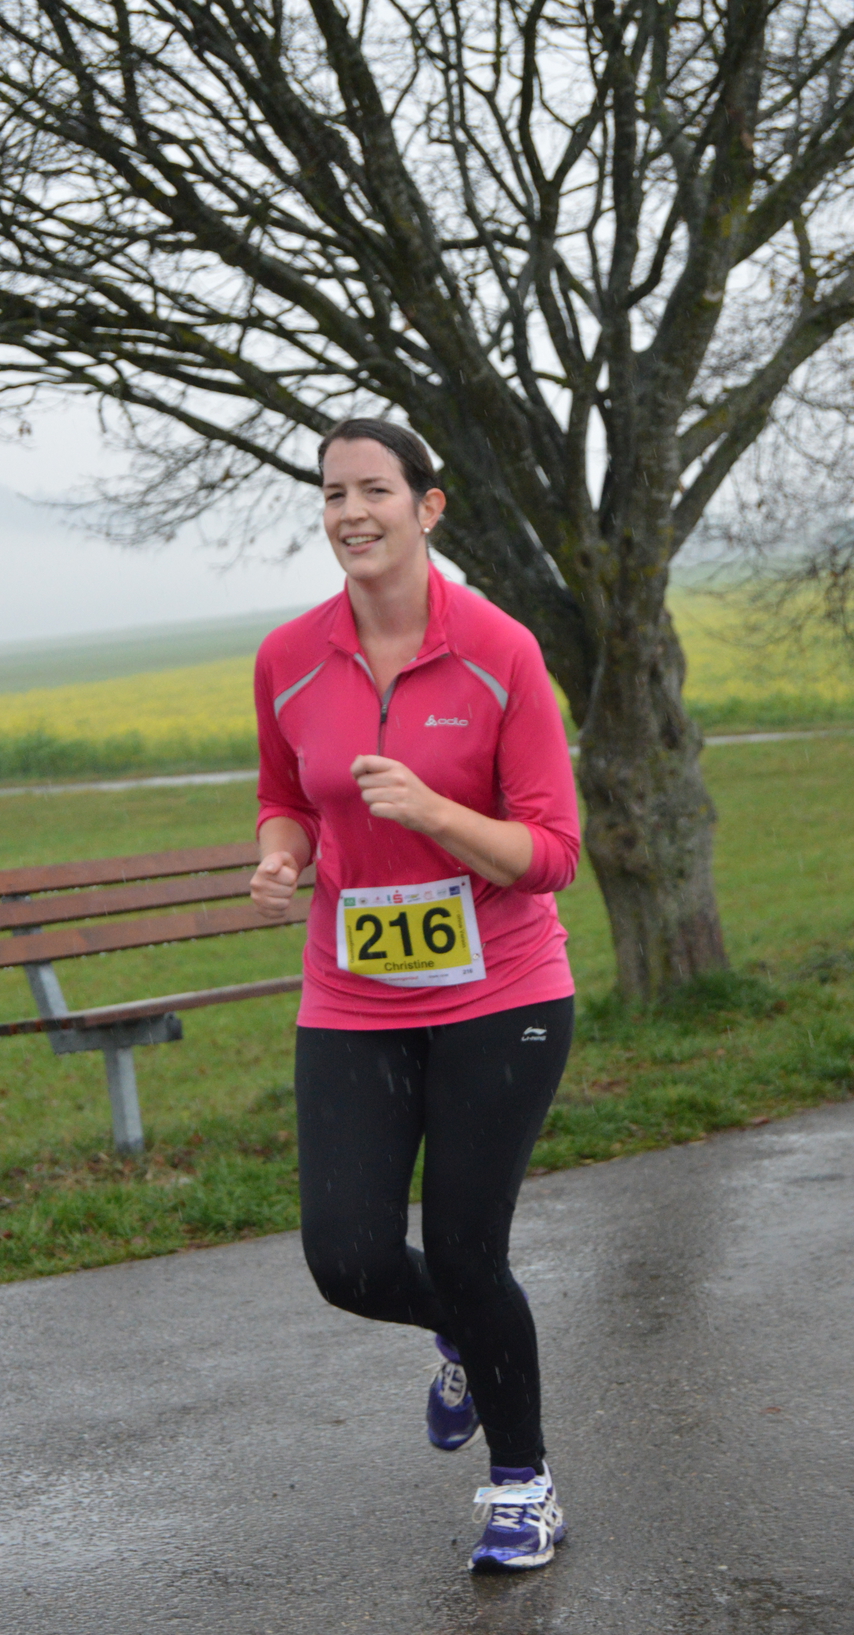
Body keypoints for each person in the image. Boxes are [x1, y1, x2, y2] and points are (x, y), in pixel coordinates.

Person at [250, 418, 580, 1572]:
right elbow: (285, 794)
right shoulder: (289, 657)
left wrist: (436, 812)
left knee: (467, 1244)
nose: (351, 512)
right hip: (354, 994)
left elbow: (552, 852)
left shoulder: (500, 650)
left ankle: (524, 1484)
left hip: (502, 991)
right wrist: (281, 854)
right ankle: (462, 1330)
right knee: (346, 1256)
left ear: (427, 507)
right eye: (333, 492)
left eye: (375, 489)